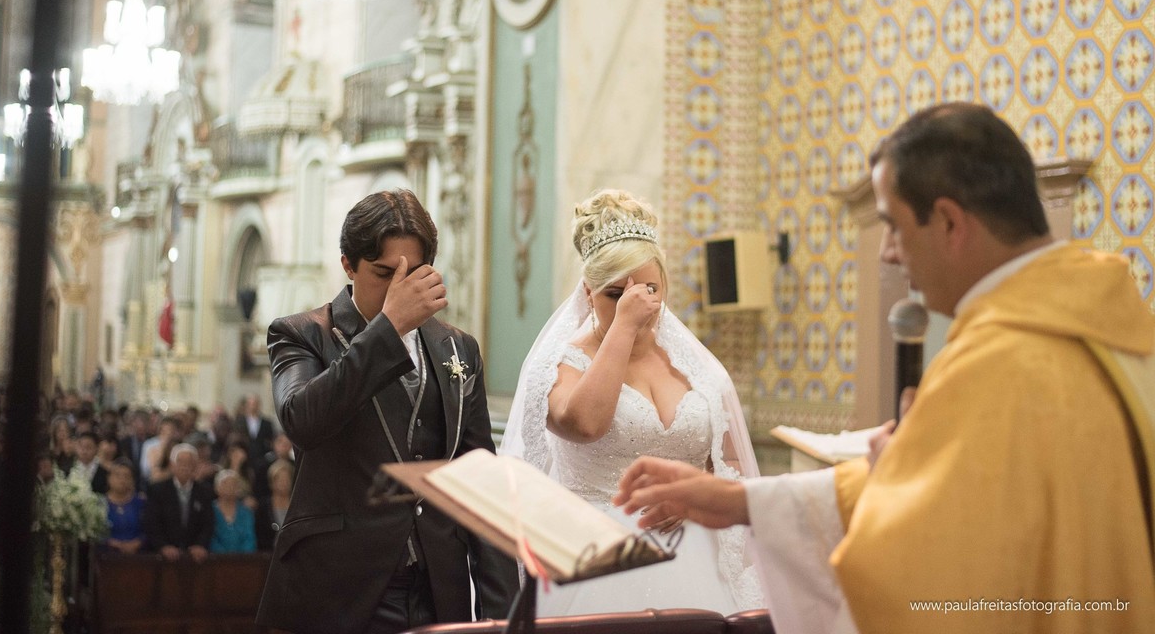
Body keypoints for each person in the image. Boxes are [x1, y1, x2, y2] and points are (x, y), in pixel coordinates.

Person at [615, 103, 1155, 633]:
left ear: (948, 222)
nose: (888, 254)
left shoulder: (1001, 363)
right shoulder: (1115, 321)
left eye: (893, 227)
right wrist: (740, 501)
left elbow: (927, 579)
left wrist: (898, 477)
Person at [255, 189, 518, 634]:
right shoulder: (301, 335)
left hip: (438, 587)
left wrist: (500, 610)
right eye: (383, 274)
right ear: (347, 265)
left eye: (414, 275)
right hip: (340, 588)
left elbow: (480, 480)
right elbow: (303, 420)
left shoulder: (458, 347)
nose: (400, 289)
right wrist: (388, 328)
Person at [500, 189, 763, 615]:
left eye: (648, 289)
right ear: (588, 293)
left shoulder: (695, 368)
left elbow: (729, 464)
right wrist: (622, 328)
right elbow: (586, 424)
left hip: (696, 555)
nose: (638, 304)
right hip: (597, 562)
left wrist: (697, 499)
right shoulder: (559, 363)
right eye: (615, 294)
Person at [144, 442, 214, 562]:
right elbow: (152, 522)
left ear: (195, 466)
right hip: (164, 556)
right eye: (181, 462)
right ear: (172, 465)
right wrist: (163, 546)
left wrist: (200, 545)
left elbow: (208, 523)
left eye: (190, 463)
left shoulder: (205, 491)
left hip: (194, 555)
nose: (185, 466)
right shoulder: (158, 490)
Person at [101, 459, 145, 554]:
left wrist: (136, 543)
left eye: (126, 476)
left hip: (137, 556)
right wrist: (113, 543)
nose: (122, 480)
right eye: (117, 475)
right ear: (109, 478)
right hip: (107, 555)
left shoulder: (141, 503)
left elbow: (148, 531)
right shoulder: (100, 503)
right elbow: (96, 533)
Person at [209, 469, 257, 554]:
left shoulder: (246, 512)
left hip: (244, 561)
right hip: (216, 560)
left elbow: (249, 538)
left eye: (233, 484)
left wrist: (240, 558)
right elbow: (211, 538)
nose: (229, 487)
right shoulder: (210, 511)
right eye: (225, 483)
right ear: (216, 487)